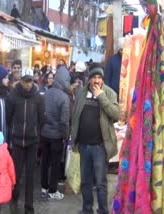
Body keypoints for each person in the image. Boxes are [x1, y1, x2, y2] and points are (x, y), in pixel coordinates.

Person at [71, 65, 120, 214]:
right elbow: (75, 115)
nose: (96, 81)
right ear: (89, 79)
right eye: (94, 77)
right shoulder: (81, 92)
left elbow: (116, 114)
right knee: (85, 182)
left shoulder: (109, 93)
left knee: (100, 183)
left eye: (99, 78)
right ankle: (87, 209)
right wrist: (74, 139)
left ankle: (103, 210)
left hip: (100, 147)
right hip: (84, 145)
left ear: (102, 79)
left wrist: (101, 97)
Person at [6, 68, 44, 214]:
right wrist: (15, 130)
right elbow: (8, 117)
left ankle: (29, 206)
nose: (28, 84)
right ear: (20, 80)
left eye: (30, 81)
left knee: (30, 175)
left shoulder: (38, 97)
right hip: (17, 142)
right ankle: (14, 201)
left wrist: (36, 134)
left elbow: (42, 119)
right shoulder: (12, 96)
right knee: (15, 174)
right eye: (25, 81)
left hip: (32, 142)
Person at [40, 65, 70, 201]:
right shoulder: (64, 98)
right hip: (57, 136)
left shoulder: (47, 93)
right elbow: (64, 121)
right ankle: (52, 191)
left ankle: (44, 187)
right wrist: (65, 135)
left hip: (44, 134)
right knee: (55, 163)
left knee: (44, 162)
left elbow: (41, 114)